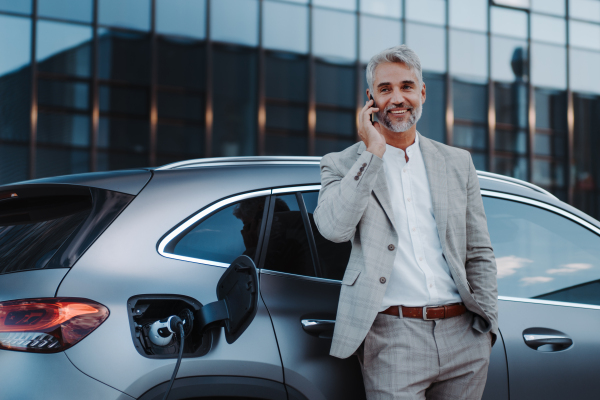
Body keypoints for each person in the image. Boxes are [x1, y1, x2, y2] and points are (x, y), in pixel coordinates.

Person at [313, 45, 498, 400]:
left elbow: (479, 250)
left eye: (406, 87)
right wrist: (373, 153)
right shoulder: (340, 164)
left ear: (422, 92)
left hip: (464, 336)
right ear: (370, 100)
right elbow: (334, 229)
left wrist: (485, 328)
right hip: (393, 337)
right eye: (385, 90)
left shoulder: (458, 162)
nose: (397, 98)